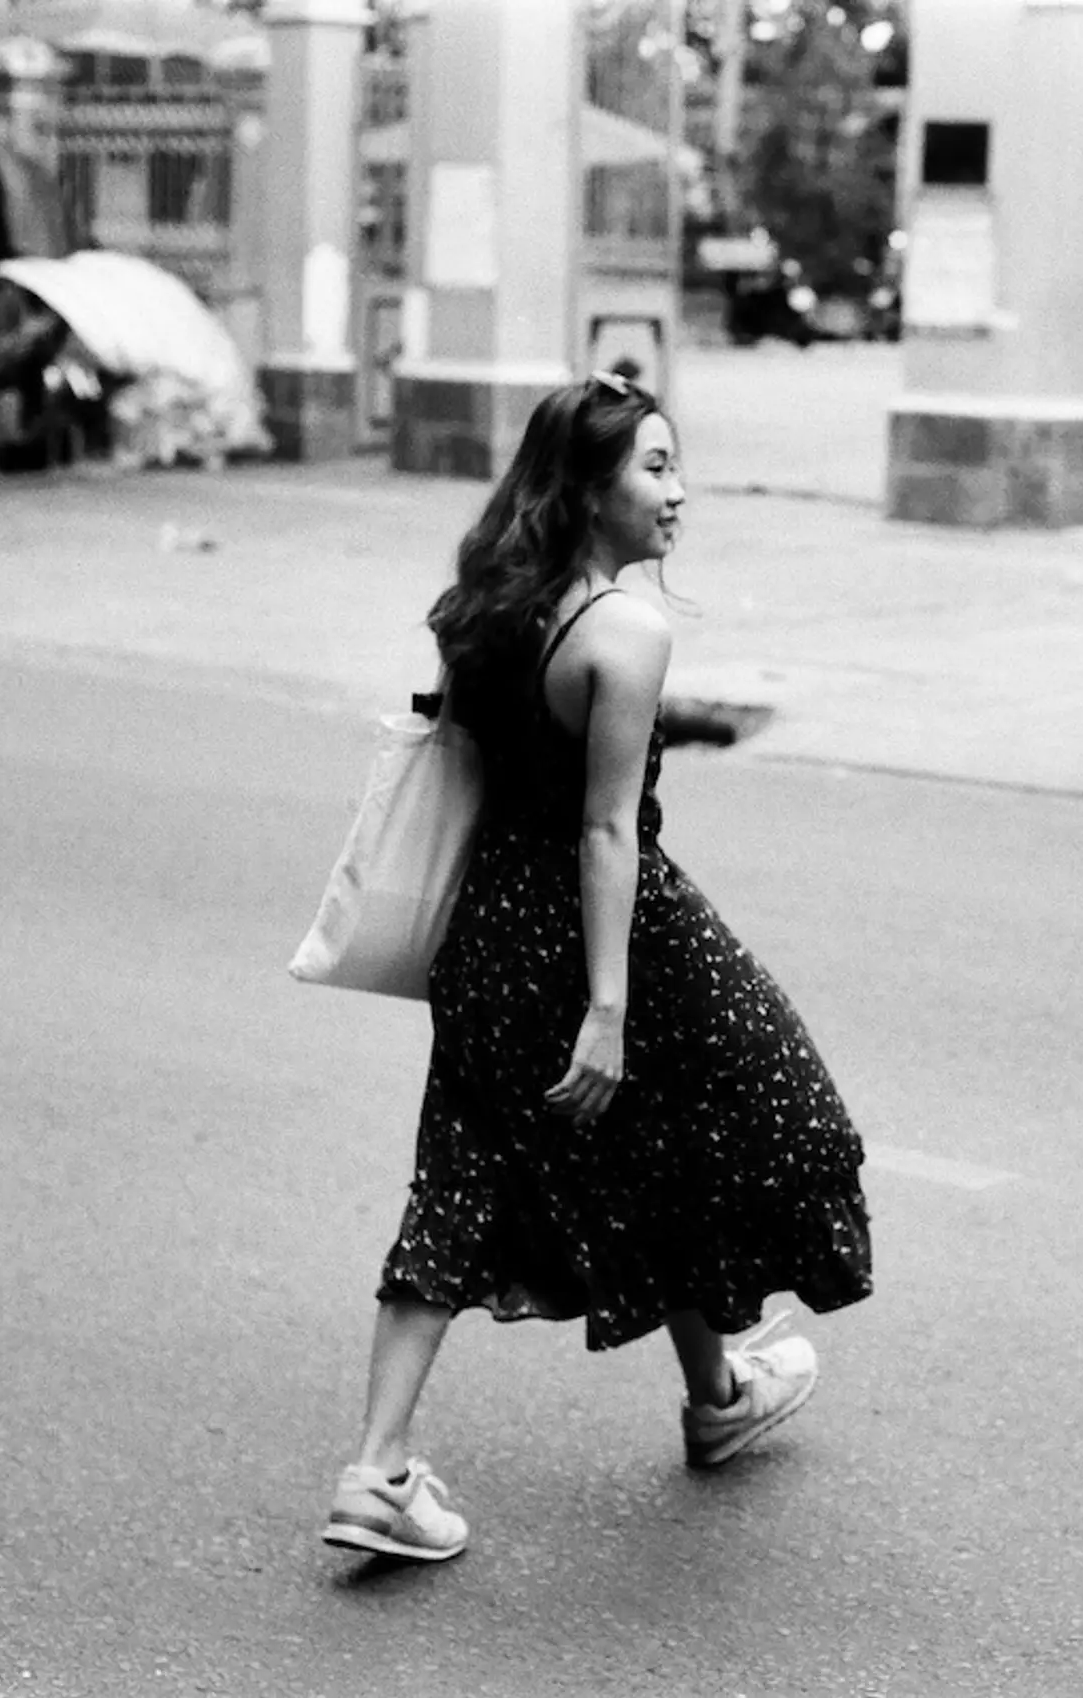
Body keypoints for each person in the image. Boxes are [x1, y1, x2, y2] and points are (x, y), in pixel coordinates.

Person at [321, 372, 875, 1563]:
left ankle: (384, 1467)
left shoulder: (485, 603)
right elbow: (606, 830)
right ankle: (716, 1392)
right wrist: (609, 1009)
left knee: (469, 1185)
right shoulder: (624, 632)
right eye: (656, 470)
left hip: (487, 941)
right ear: (589, 488)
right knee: (785, 1118)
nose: (679, 494)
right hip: (607, 941)